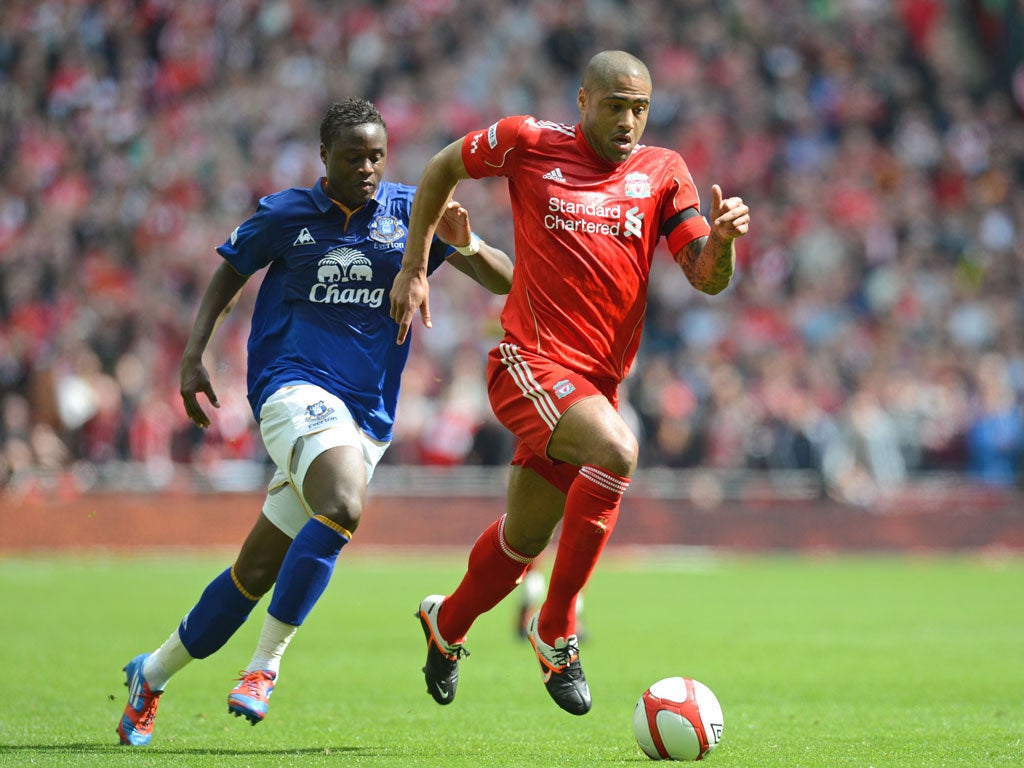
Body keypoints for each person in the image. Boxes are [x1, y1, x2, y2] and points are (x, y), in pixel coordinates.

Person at [116, 98, 513, 746]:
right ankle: (264, 668)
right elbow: (229, 275)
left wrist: (464, 240)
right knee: (344, 501)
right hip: (291, 388)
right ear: (324, 156)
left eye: (376, 156)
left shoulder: (410, 212)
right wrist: (193, 355)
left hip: (366, 417)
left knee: (254, 573)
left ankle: (151, 675)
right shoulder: (287, 214)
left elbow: (501, 278)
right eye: (353, 156)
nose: (367, 167)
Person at [390, 50, 749, 716]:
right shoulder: (528, 143)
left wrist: (722, 243)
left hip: (593, 389)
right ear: (583, 101)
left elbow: (706, 275)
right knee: (618, 451)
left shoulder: (664, 173)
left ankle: (447, 624)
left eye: (640, 107)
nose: (629, 120)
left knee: (518, 545)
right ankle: (556, 629)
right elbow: (442, 166)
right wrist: (417, 266)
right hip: (528, 363)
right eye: (615, 104)